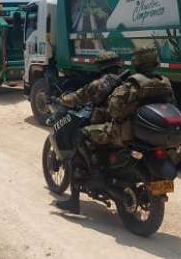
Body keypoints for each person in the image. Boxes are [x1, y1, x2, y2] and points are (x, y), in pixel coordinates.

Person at [54, 47, 173, 214]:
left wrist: (60, 100)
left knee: (81, 136)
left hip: (122, 132)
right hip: (146, 133)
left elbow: (113, 109)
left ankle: (75, 199)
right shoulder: (164, 82)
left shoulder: (125, 83)